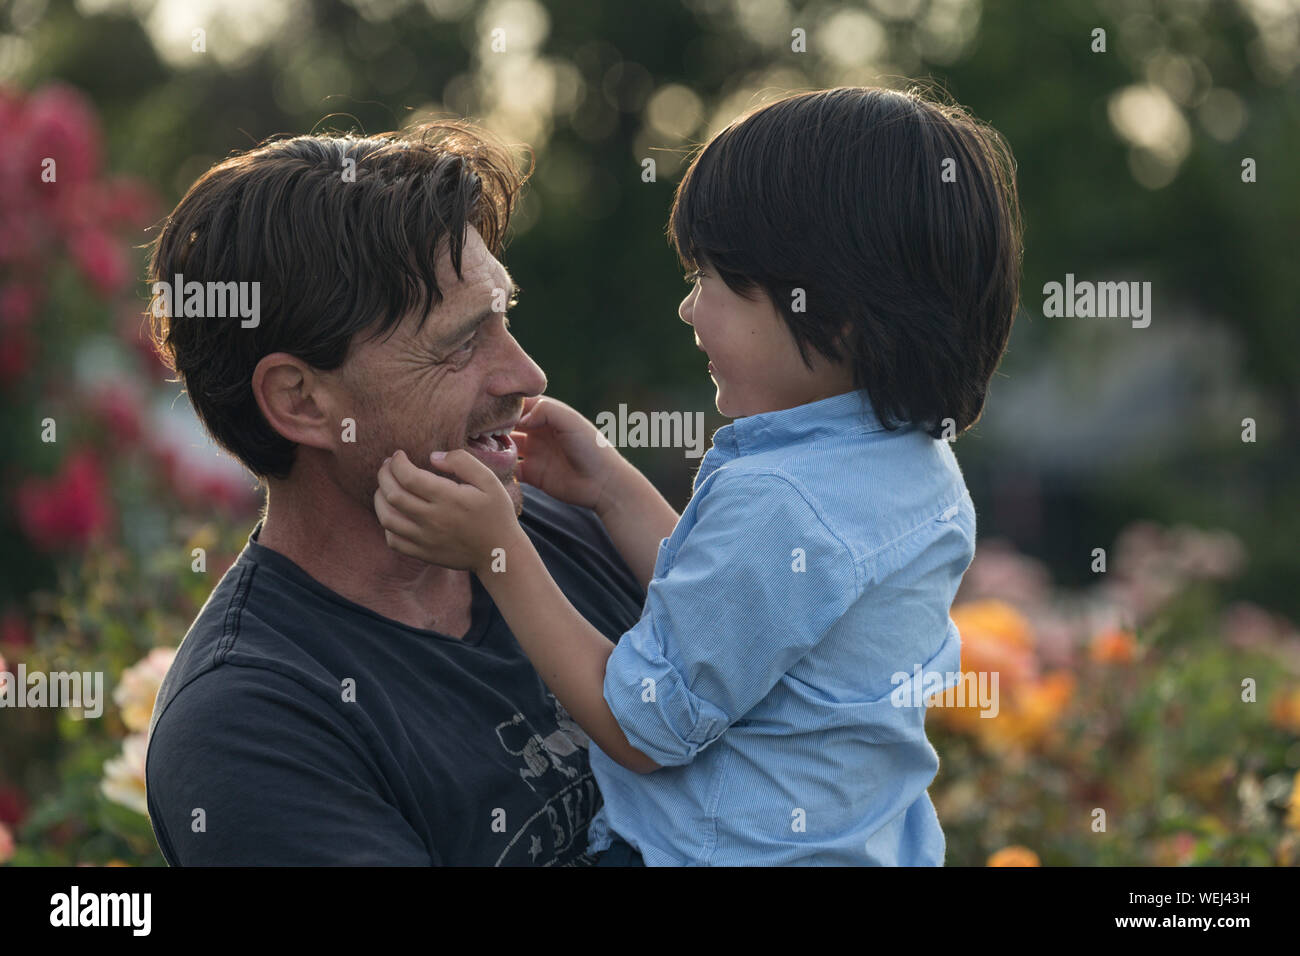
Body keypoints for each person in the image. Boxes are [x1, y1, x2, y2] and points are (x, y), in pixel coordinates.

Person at [373, 86, 1024, 865]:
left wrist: (497, 552)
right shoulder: (907, 466)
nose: (690, 311)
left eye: (712, 281)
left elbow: (641, 726)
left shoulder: (785, 500)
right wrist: (611, 487)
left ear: (837, 312)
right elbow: (737, 614)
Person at [144, 121, 647, 865]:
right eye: (462, 343)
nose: (527, 376)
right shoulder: (250, 724)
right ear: (302, 402)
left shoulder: (582, 527)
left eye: (504, 318)